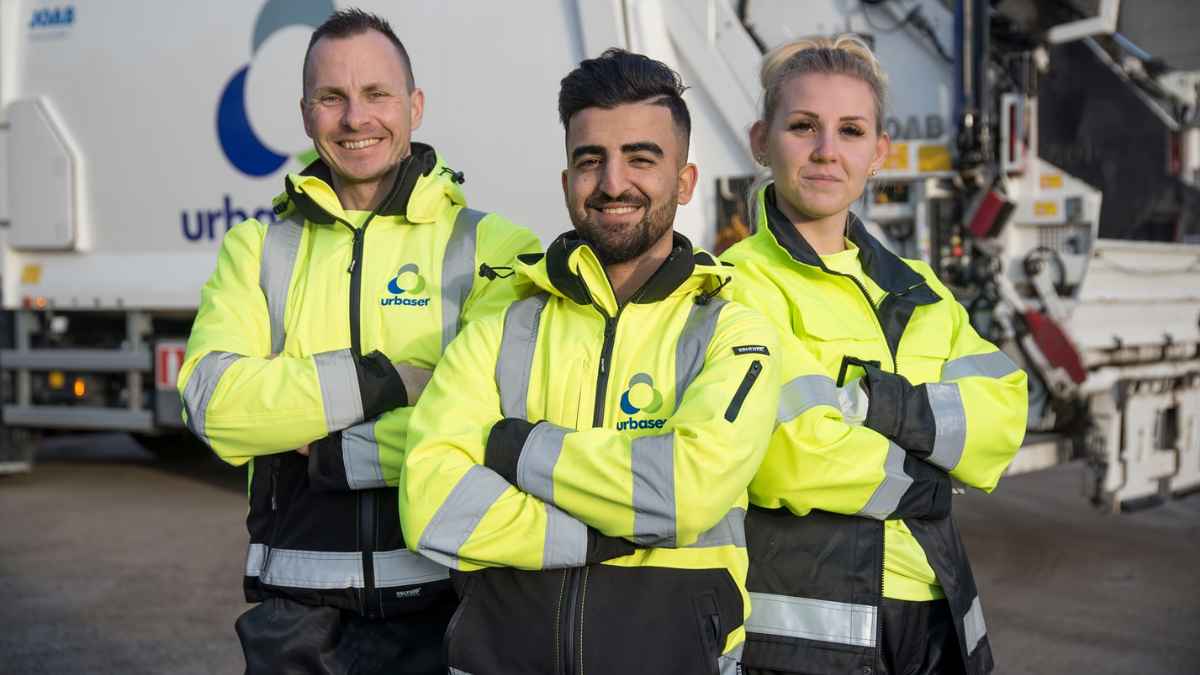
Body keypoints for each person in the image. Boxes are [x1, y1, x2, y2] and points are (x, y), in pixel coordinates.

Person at [177, 9, 540, 674]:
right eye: (332, 98)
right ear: (306, 113)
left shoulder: (494, 247)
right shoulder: (257, 249)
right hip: (293, 616)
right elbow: (215, 406)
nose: (355, 118)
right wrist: (393, 382)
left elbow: (498, 423)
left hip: (446, 600)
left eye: (377, 94)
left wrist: (331, 451)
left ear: (415, 106)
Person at [399, 49, 781, 675]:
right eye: (590, 160)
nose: (612, 183)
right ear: (566, 181)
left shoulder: (732, 329)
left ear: (684, 181)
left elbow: (684, 493)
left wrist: (515, 450)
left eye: (640, 157)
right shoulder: (504, 322)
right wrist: (604, 536)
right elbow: (431, 505)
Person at [720, 36, 1029, 675]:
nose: (827, 151)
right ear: (760, 140)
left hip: (939, 616)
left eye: (851, 130)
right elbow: (790, 456)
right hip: (810, 631)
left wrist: (872, 404)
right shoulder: (733, 285)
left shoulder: (917, 287)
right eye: (803, 126)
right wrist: (931, 473)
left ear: (878, 152)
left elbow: (1003, 416)